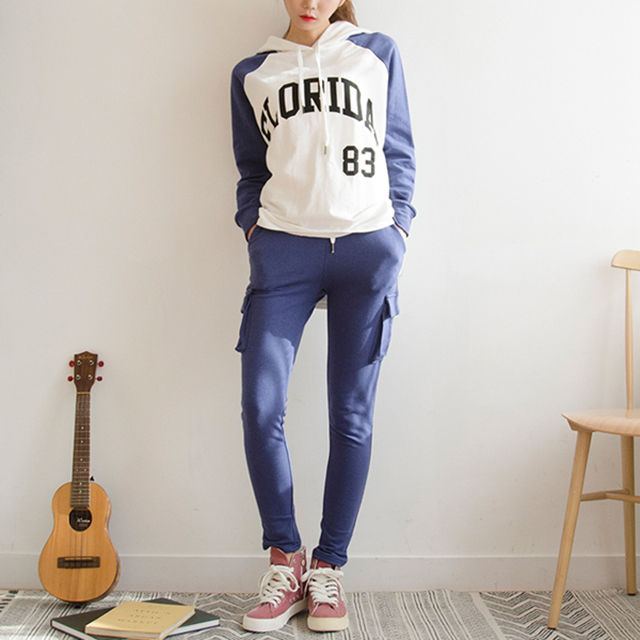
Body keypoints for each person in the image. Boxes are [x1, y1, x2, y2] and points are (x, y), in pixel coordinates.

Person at [230, 0, 416, 632]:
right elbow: (250, 167)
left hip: (367, 247)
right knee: (261, 409)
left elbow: (398, 149)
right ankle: (285, 560)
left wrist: (398, 230)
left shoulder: (377, 53)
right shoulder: (253, 71)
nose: (310, 2)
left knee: (352, 416)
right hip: (284, 249)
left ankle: (329, 567)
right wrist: (253, 227)